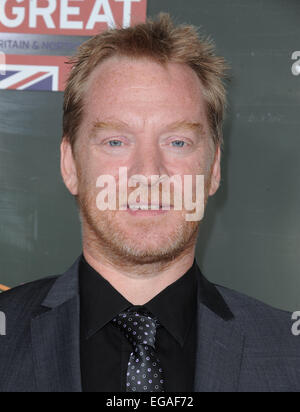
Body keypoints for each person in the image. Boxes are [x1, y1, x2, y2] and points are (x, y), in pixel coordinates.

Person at [0, 13, 299, 393]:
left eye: (177, 142)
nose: (148, 172)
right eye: (115, 141)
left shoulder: (290, 355)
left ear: (214, 169)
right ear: (70, 165)